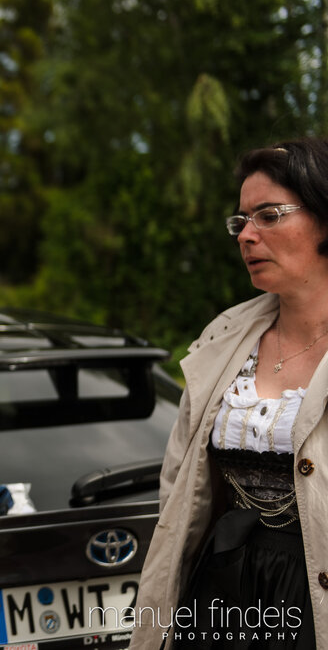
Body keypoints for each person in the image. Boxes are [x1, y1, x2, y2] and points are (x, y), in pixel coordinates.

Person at [130, 138, 328, 649]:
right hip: (222, 590)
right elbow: (178, 486)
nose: (247, 236)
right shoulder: (224, 337)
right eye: (241, 221)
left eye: (269, 215)